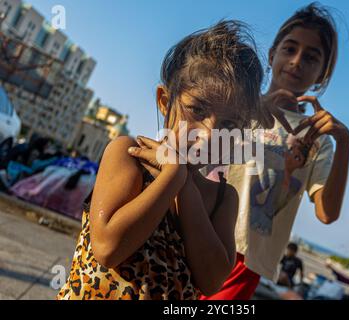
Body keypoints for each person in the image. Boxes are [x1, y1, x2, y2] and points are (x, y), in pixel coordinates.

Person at [57, 20, 265, 300]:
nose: (208, 136)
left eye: (228, 125)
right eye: (197, 109)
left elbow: (212, 281)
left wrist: (184, 185)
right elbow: (108, 248)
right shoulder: (129, 155)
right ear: (165, 101)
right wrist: (171, 177)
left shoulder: (222, 198)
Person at [200, 2, 349, 300]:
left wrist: (345, 142)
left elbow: (327, 213)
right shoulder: (236, 104)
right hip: (199, 230)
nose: (296, 61)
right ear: (272, 54)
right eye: (290, 49)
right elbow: (198, 158)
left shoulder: (318, 138)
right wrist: (248, 115)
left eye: (311, 57)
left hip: (247, 260)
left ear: (322, 73)